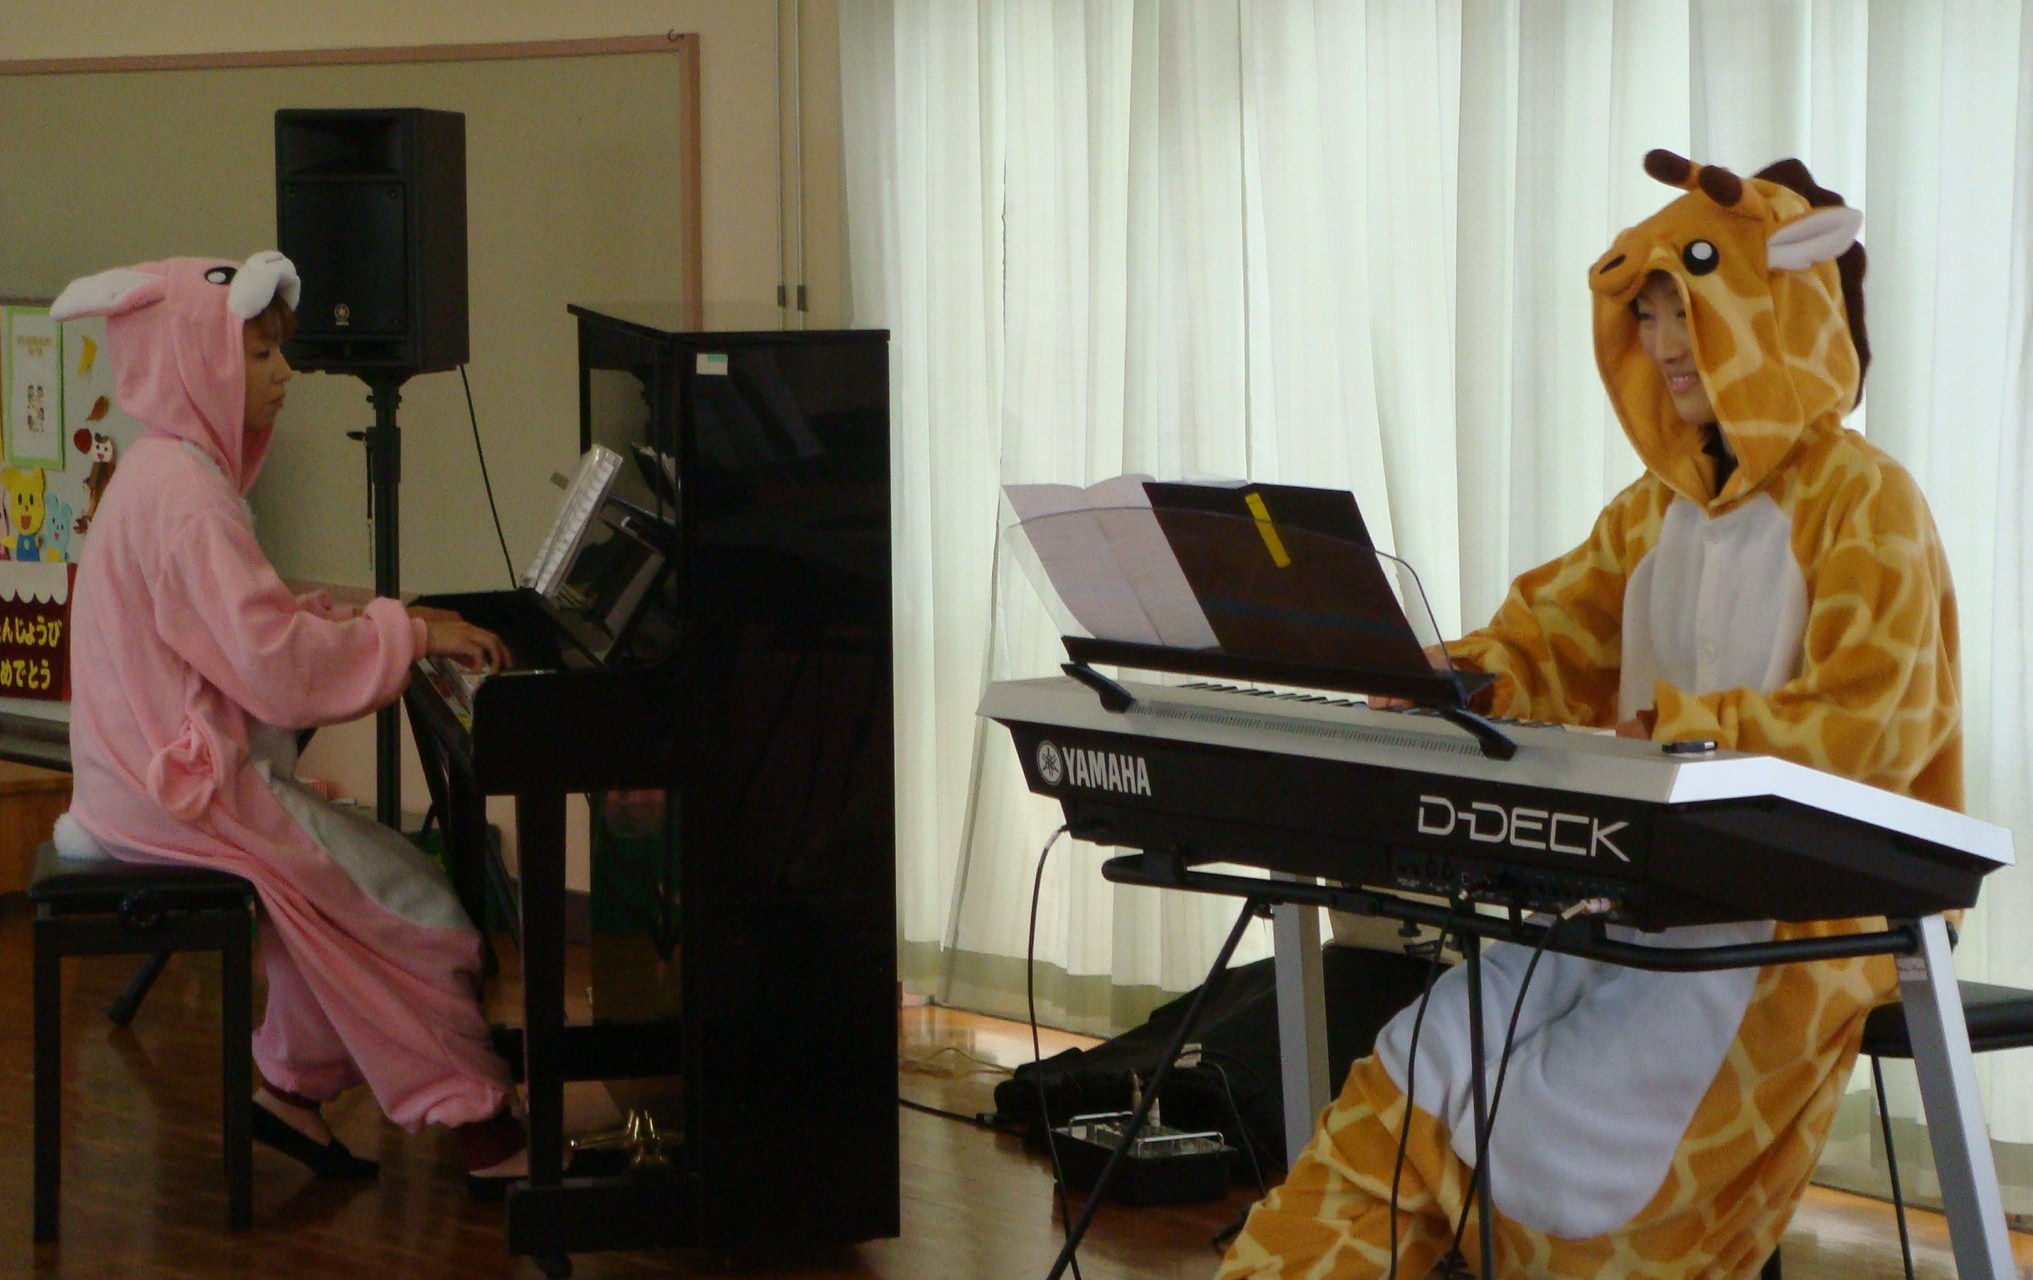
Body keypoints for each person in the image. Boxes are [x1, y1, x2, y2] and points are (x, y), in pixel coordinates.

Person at [1217, 151, 1961, 1278]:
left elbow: (1873, 725)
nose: (1664, 344)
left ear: (1774, 307)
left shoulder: (1870, 502)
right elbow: (1549, 635)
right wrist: (1456, 676)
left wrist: (1687, 730)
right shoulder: (1650, 514)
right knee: (1418, 1068)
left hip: (1801, 917)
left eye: (1688, 310)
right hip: (1639, 892)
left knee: (1586, 1159)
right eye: (1648, 315)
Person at [50, 252, 532, 1194]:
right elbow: (273, 666)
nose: (285, 374)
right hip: (172, 794)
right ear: (196, 362)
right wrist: (405, 634)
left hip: (143, 779)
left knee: (343, 879)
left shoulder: (163, 469)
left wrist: (380, 622)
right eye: (261, 355)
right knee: (407, 903)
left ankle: (289, 1092)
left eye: (280, 352)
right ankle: (476, 1119)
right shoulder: (187, 500)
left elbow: (244, 626)